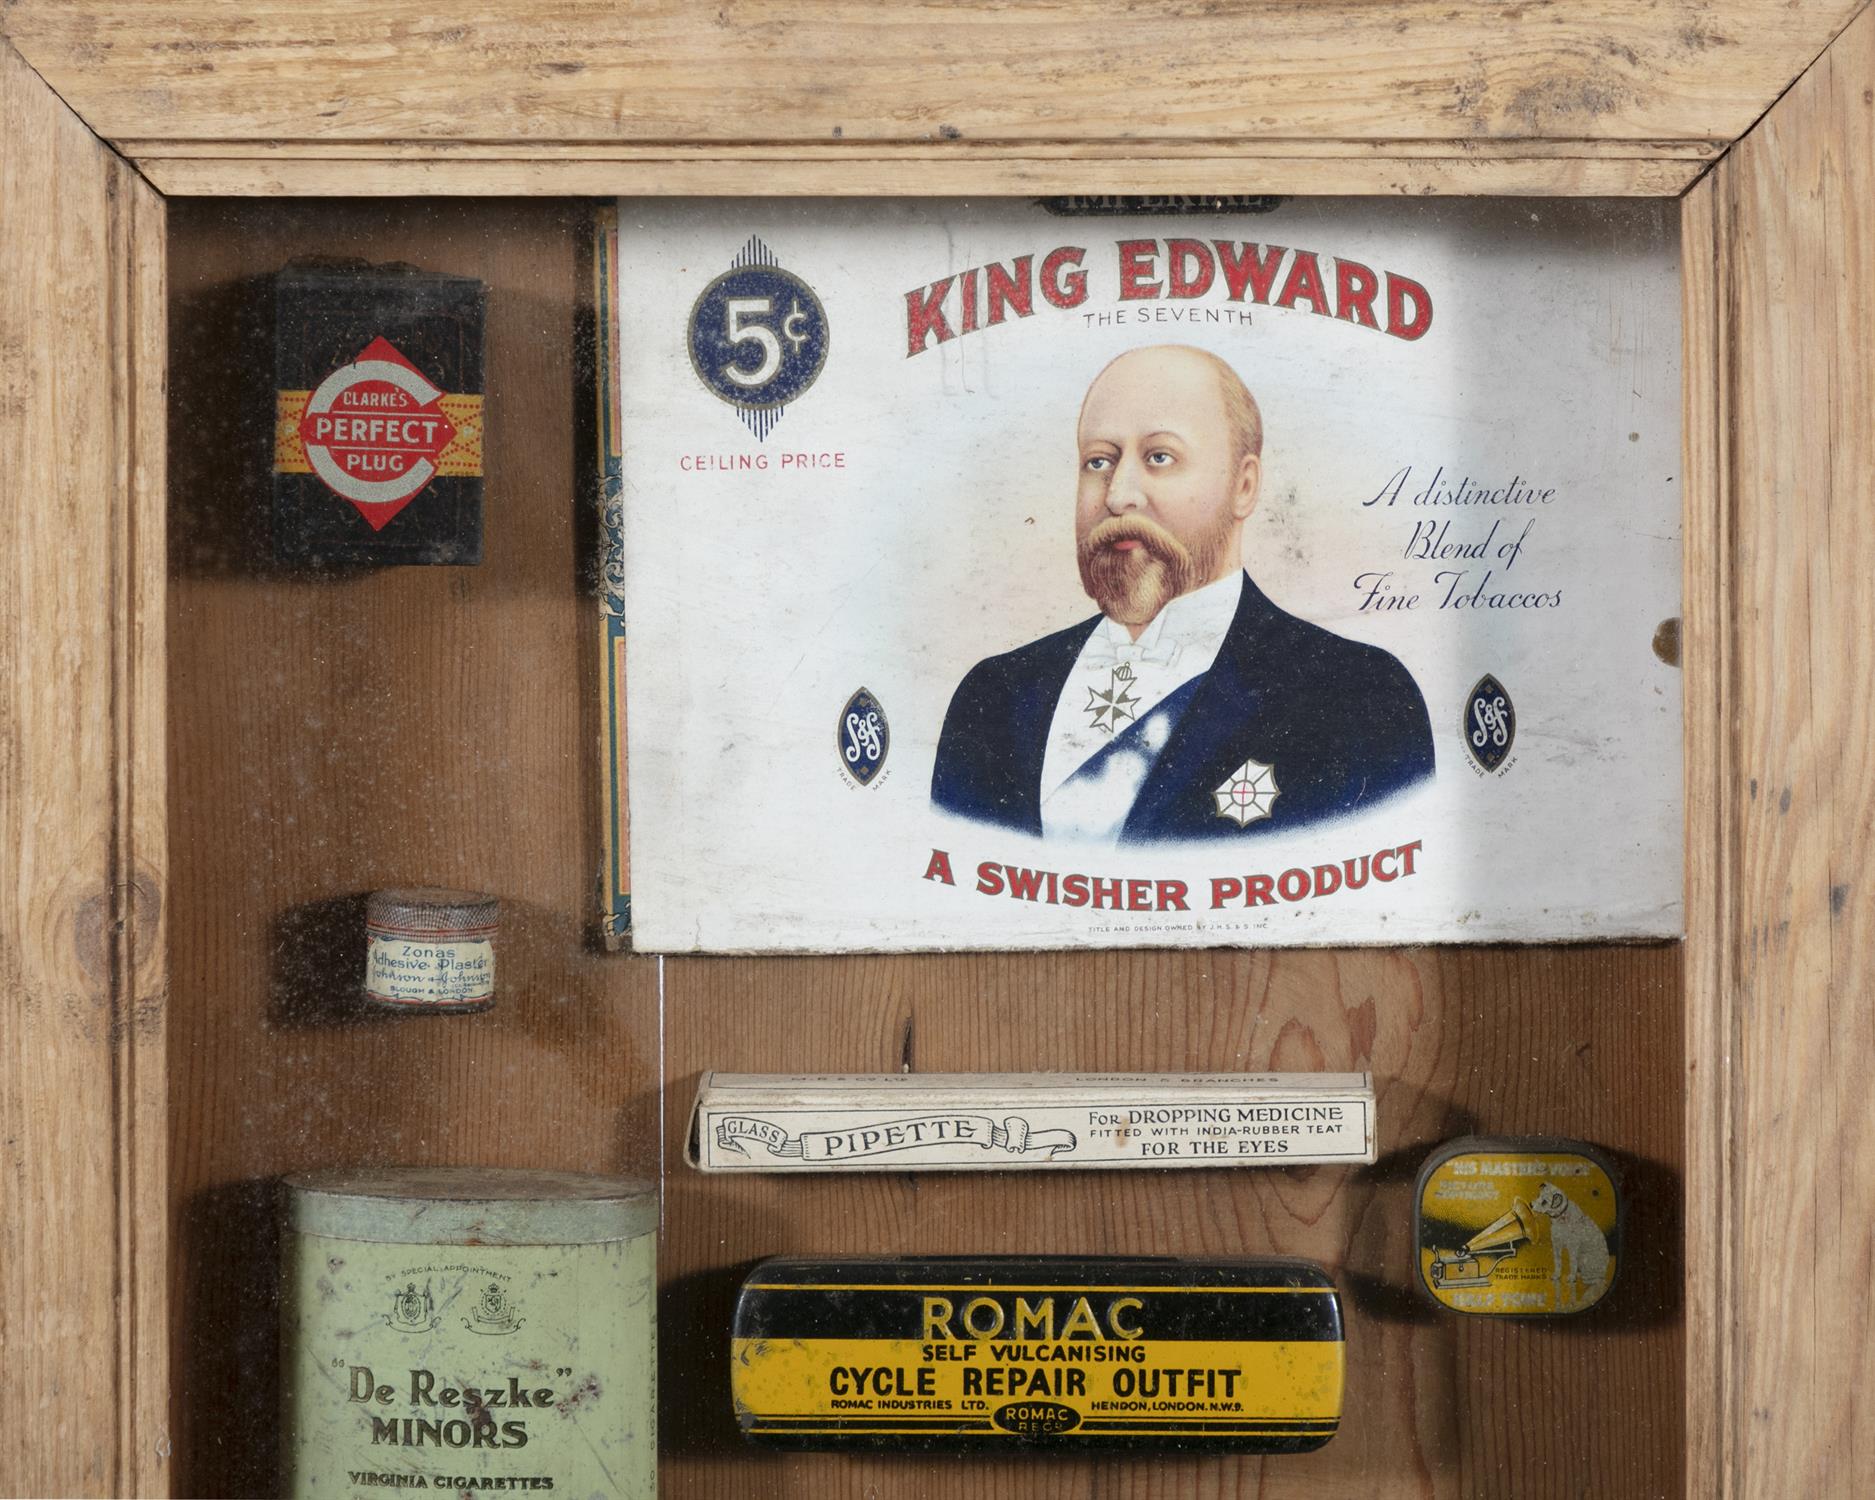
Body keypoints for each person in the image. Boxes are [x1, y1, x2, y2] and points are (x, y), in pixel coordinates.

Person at [931, 343, 1433, 843]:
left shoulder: (1359, 697)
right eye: (1099, 462)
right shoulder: (995, 697)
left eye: (1160, 457)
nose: (1118, 495)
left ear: (1244, 486)